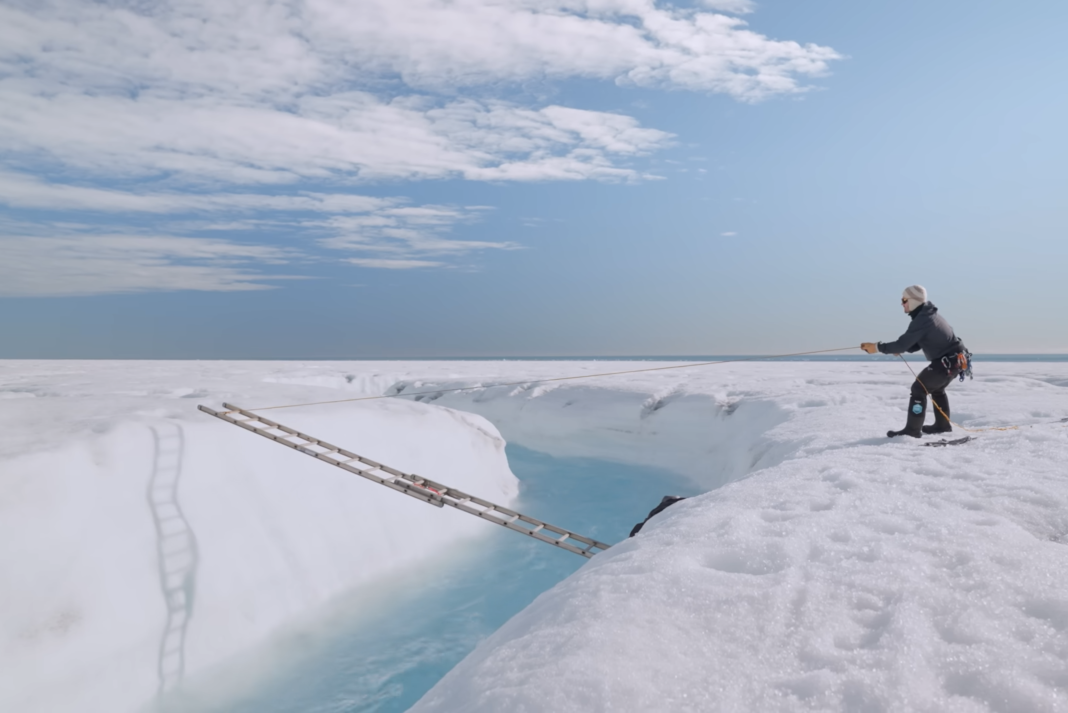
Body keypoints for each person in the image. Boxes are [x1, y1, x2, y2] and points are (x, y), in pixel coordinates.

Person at [861, 285, 969, 438]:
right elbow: (916, 343)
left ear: (913, 301)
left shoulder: (923, 319)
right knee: (937, 390)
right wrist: (900, 348)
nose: (902, 304)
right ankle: (942, 426)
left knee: (919, 389)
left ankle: (912, 430)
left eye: (904, 300)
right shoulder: (928, 315)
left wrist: (878, 347)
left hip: (947, 362)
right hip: (954, 362)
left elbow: (903, 343)